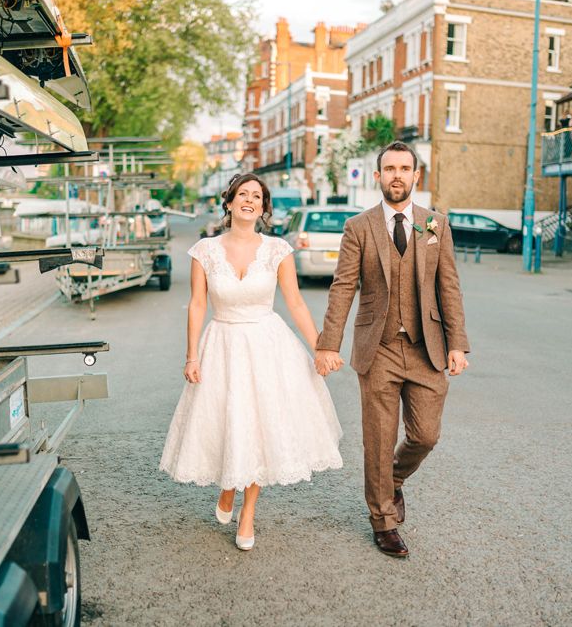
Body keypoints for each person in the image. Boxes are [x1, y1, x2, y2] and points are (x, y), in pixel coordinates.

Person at [160, 173, 343, 551]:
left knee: (260, 427)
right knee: (230, 420)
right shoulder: (205, 251)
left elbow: (294, 302)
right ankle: (227, 488)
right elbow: (197, 304)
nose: (249, 200)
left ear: (263, 208)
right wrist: (191, 355)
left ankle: (247, 513)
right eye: (242, 194)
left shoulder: (278, 250)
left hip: (267, 345)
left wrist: (320, 348)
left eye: (256, 196)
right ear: (228, 203)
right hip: (223, 343)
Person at [314, 141, 470, 558]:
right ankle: (383, 520)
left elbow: (448, 286)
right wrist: (328, 343)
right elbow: (343, 287)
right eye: (389, 168)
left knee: (426, 435)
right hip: (377, 348)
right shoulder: (358, 227)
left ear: (416, 176)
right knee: (379, 439)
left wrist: (458, 343)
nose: (397, 175)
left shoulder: (435, 224)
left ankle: (394, 479)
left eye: (405, 168)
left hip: (426, 348)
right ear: (378, 176)